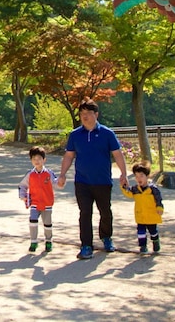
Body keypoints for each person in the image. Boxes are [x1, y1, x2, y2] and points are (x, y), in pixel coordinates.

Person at [56, 99, 128, 259]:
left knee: (105, 211)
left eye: (88, 113)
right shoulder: (75, 135)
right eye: (82, 114)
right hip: (82, 181)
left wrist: (123, 174)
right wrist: (62, 174)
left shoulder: (107, 134)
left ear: (96, 114)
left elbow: (117, 154)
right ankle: (86, 245)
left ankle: (106, 237)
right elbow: (69, 156)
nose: (84, 117)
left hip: (102, 180)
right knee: (85, 213)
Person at [18, 145, 58, 252]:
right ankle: (33, 242)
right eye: (34, 159)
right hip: (35, 202)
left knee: (47, 224)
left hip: (47, 203)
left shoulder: (48, 173)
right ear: (31, 160)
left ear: (44, 160)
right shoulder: (30, 174)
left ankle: (49, 241)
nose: (37, 161)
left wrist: (60, 182)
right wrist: (23, 195)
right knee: (33, 222)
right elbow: (22, 185)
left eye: (39, 159)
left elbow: (56, 183)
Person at [122, 161, 164, 254]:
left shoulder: (153, 189)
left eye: (141, 176)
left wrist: (159, 208)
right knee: (141, 232)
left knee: (153, 231)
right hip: (140, 215)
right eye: (136, 176)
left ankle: (155, 241)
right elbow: (129, 193)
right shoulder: (135, 189)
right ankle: (143, 246)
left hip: (151, 215)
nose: (138, 179)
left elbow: (158, 199)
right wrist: (123, 187)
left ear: (147, 176)